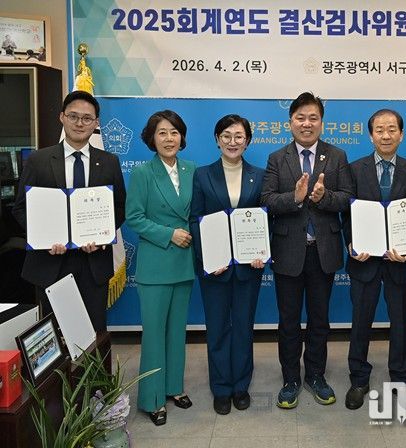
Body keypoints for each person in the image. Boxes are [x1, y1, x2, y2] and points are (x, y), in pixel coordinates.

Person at [261, 92, 353, 409]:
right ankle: (290, 379)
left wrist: (324, 197)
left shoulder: (337, 155)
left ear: (322, 123)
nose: (307, 123)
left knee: (319, 320)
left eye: (313, 117)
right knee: (288, 322)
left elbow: (347, 199)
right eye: (300, 117)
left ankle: (316, 375)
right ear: (290, 122)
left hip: (322, 252)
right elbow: (267, 201)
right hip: (288, 252)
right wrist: (296, 198)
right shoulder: (277, 158)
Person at [12, 90, 126, 332]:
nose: (79, 123)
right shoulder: (38, 160)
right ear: (62, 117)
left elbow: (119, 206)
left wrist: (103, 236)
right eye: (73, 116)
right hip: (49, 263)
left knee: (93, 334)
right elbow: (21, 208)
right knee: (54, 336)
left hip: (93, 263)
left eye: (87, 118)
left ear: (96, 123)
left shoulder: (109, 162)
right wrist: (43, 238)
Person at [342, 109, 406, 410]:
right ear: (370, 135)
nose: (386, 135)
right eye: (379, 130)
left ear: (401, 134)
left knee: (400, 323)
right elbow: (346, 214)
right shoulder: (354, 169)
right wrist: (352, 243)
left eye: (391, 129)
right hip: (364, 261)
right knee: (360, 322)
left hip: (400, 262)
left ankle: (401, 378)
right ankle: (359, 378)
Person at [189, 114, 265, 415]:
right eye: (226, 136)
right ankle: (221, 387)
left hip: (248, 267)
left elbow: (266, 218)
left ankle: (241, 385)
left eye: (239, 136)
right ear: (217, 139)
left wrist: (262, 251)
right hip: (215, 268)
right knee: (218, 327)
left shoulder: (260, 175)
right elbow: (195, 219)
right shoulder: (202, 175)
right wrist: (209, 258)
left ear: (247, 141)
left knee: (244, 327)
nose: (232, 142)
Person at [125, 110, 196, 426]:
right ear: (152, 138)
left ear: (182, 137)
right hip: (156, 263)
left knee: (177, 331)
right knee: (154, 334)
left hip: (184, 263)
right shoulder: (143, 173)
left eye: (174, 132)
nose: (169, 138)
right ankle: (152, 399)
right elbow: (134, 217)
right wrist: (169, 234)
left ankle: (174, 387)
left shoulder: (192, 169)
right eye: (162, 133)